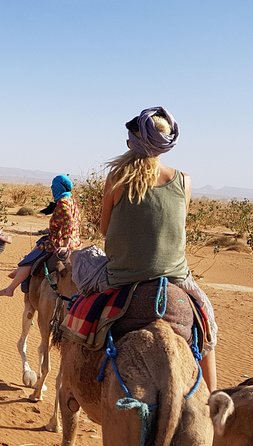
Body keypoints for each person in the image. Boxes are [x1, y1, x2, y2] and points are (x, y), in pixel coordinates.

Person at [100, 105, 218, 392]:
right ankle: (213, 398)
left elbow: (105, 229)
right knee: (207, 323)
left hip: (121, 278)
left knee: (77, 304)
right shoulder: (184, 181)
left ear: (134, 141)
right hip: (175, 278)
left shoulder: (116, 177)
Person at [0, 174, 82, 296]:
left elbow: (69, 223)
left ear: (58, 188)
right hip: (75, 241)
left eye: (54, 187)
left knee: (31, 259)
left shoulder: (62, 202)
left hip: (59, 242)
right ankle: (18, 271)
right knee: (38, 244)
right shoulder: (72, 201)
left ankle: (11, 288)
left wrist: (65, 244)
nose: (52, 189)